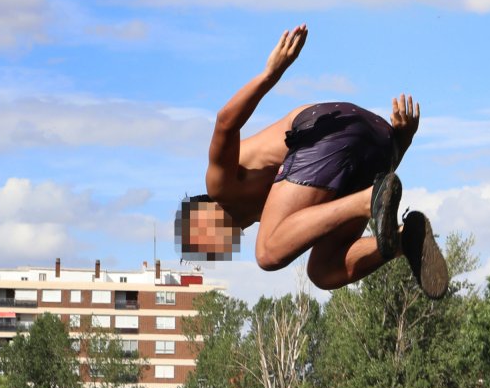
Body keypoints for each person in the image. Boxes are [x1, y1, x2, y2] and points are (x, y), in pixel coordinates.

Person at [176, 24, 448, 298]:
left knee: (269, 252)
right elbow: (369, 181)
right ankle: (404, 239)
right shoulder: (284, 216)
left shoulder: (220, 187)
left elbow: (224, 124)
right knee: (325, 271)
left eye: (201, 241)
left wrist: (271, 74)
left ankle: (367, 201)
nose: (213, 249)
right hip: (376, 142)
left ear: (202, 215)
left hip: (321, 128)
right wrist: (402, 141)